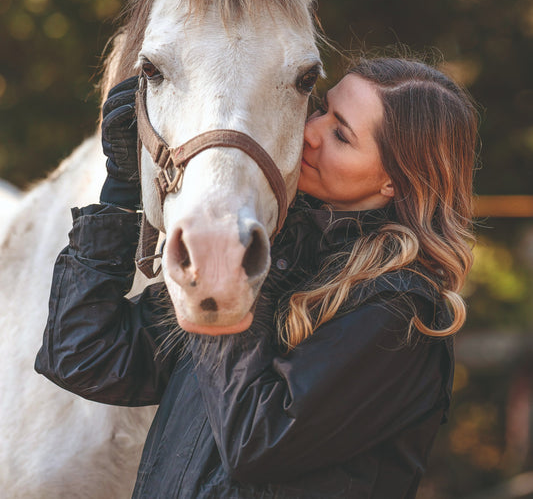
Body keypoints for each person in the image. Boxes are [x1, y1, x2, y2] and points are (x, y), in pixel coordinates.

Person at [35, 56, 478, 499]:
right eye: (322, 108)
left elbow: (257, 441)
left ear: (394, 183)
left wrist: (223, 286)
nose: (311, 130)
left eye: (341, 135)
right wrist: (122, 193)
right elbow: (82, 355)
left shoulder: (400, 312)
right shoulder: (277, 252)